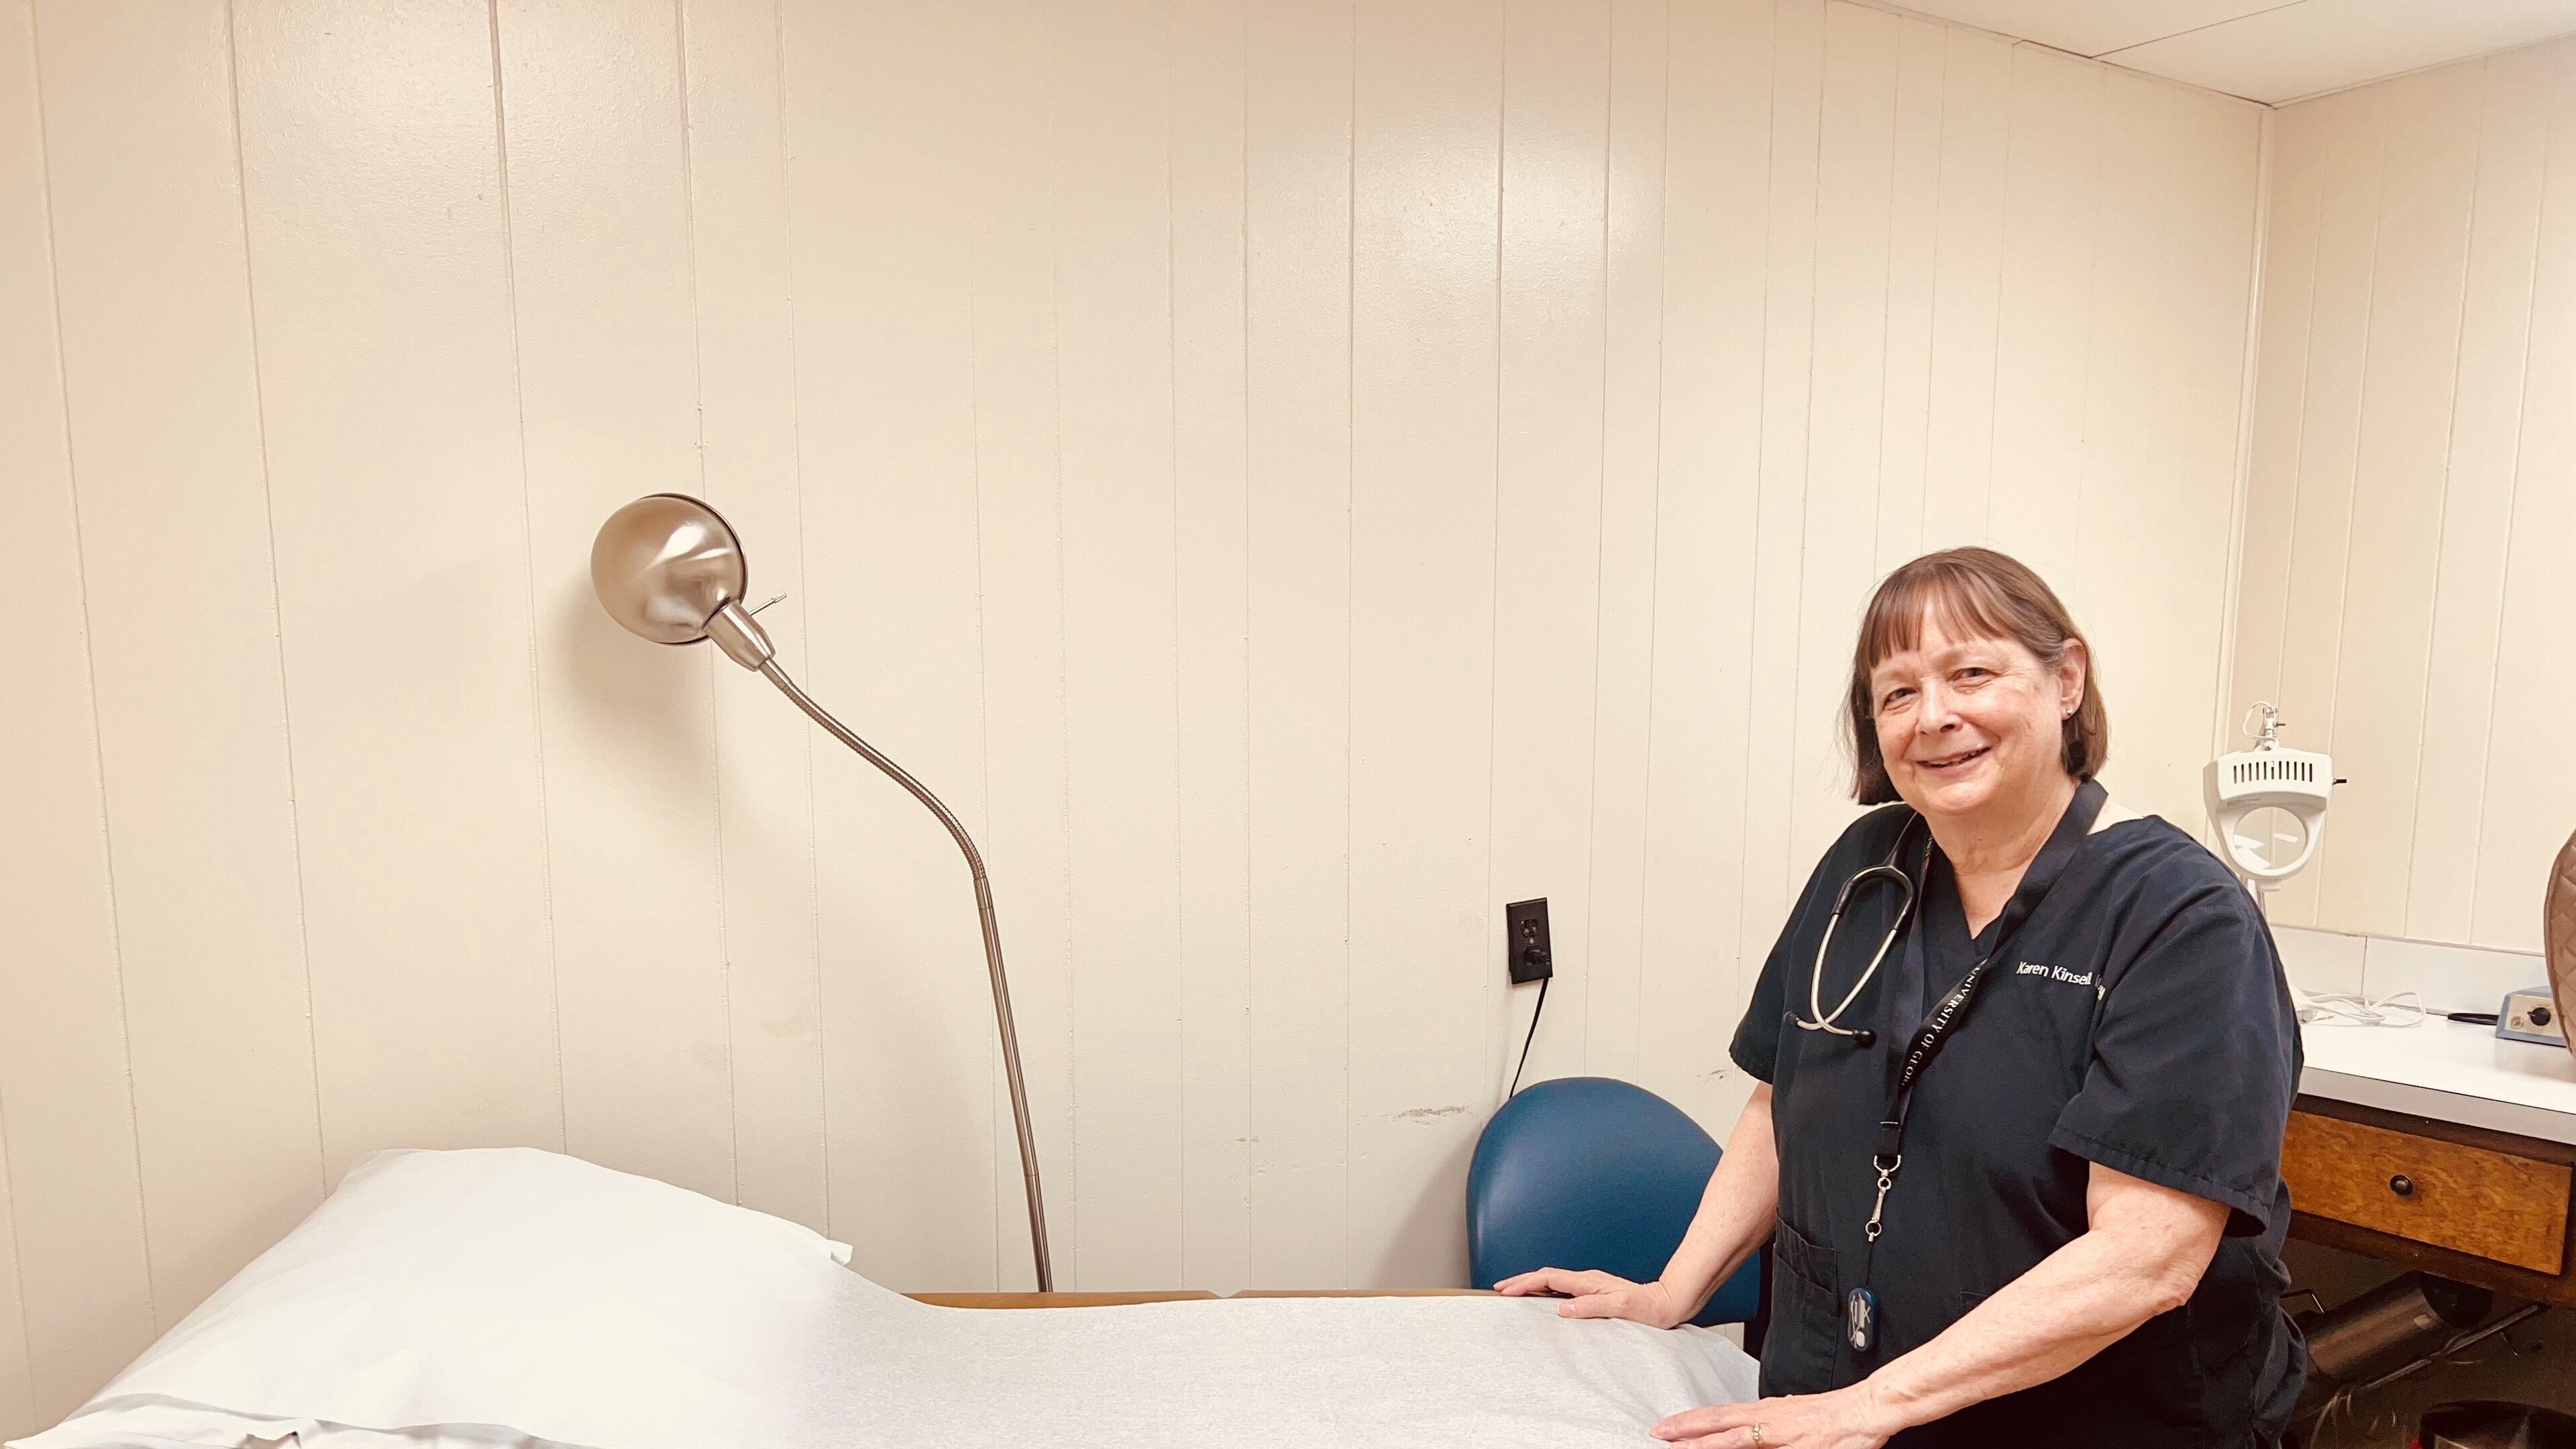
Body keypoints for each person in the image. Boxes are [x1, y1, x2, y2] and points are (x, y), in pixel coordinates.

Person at [1499, 548, 2303, 1448]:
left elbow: (2145, 1258)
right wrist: (1668, 1293)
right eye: (1897, 693)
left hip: (2073, 1419)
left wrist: (1872, 1405)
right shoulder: (1867, 868)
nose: (1936, 717)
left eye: (1972, 673)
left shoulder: (2179, 916)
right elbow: (1782, 1104)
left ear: (2066, 680)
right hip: (1826, 1397)